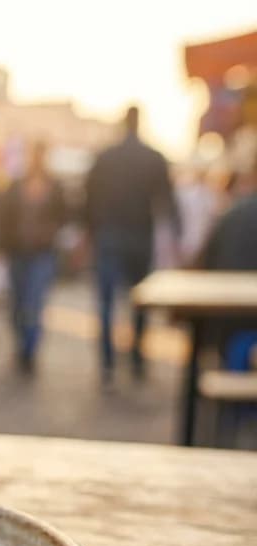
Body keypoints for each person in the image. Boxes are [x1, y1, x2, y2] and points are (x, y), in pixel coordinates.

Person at [85, 105, 179, 384]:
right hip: (139, 235)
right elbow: (166, 200)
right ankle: (136, 358)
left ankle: (107, 363)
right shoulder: (153, 157)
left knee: (106, 302)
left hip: (110, 234)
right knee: (139, 301)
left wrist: (91, 233)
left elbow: (88, 199)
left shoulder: (105, 157)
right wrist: (178, 237)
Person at [0, 142, 67, 374]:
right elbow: (4, 215)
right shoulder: (16, 183)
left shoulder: (55, 185)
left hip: (42, 253)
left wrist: (50, 231)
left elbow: (64, 215)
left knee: (34, 303)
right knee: (17, 304)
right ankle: (21, 345)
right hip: (18, 251)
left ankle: (30, 351)